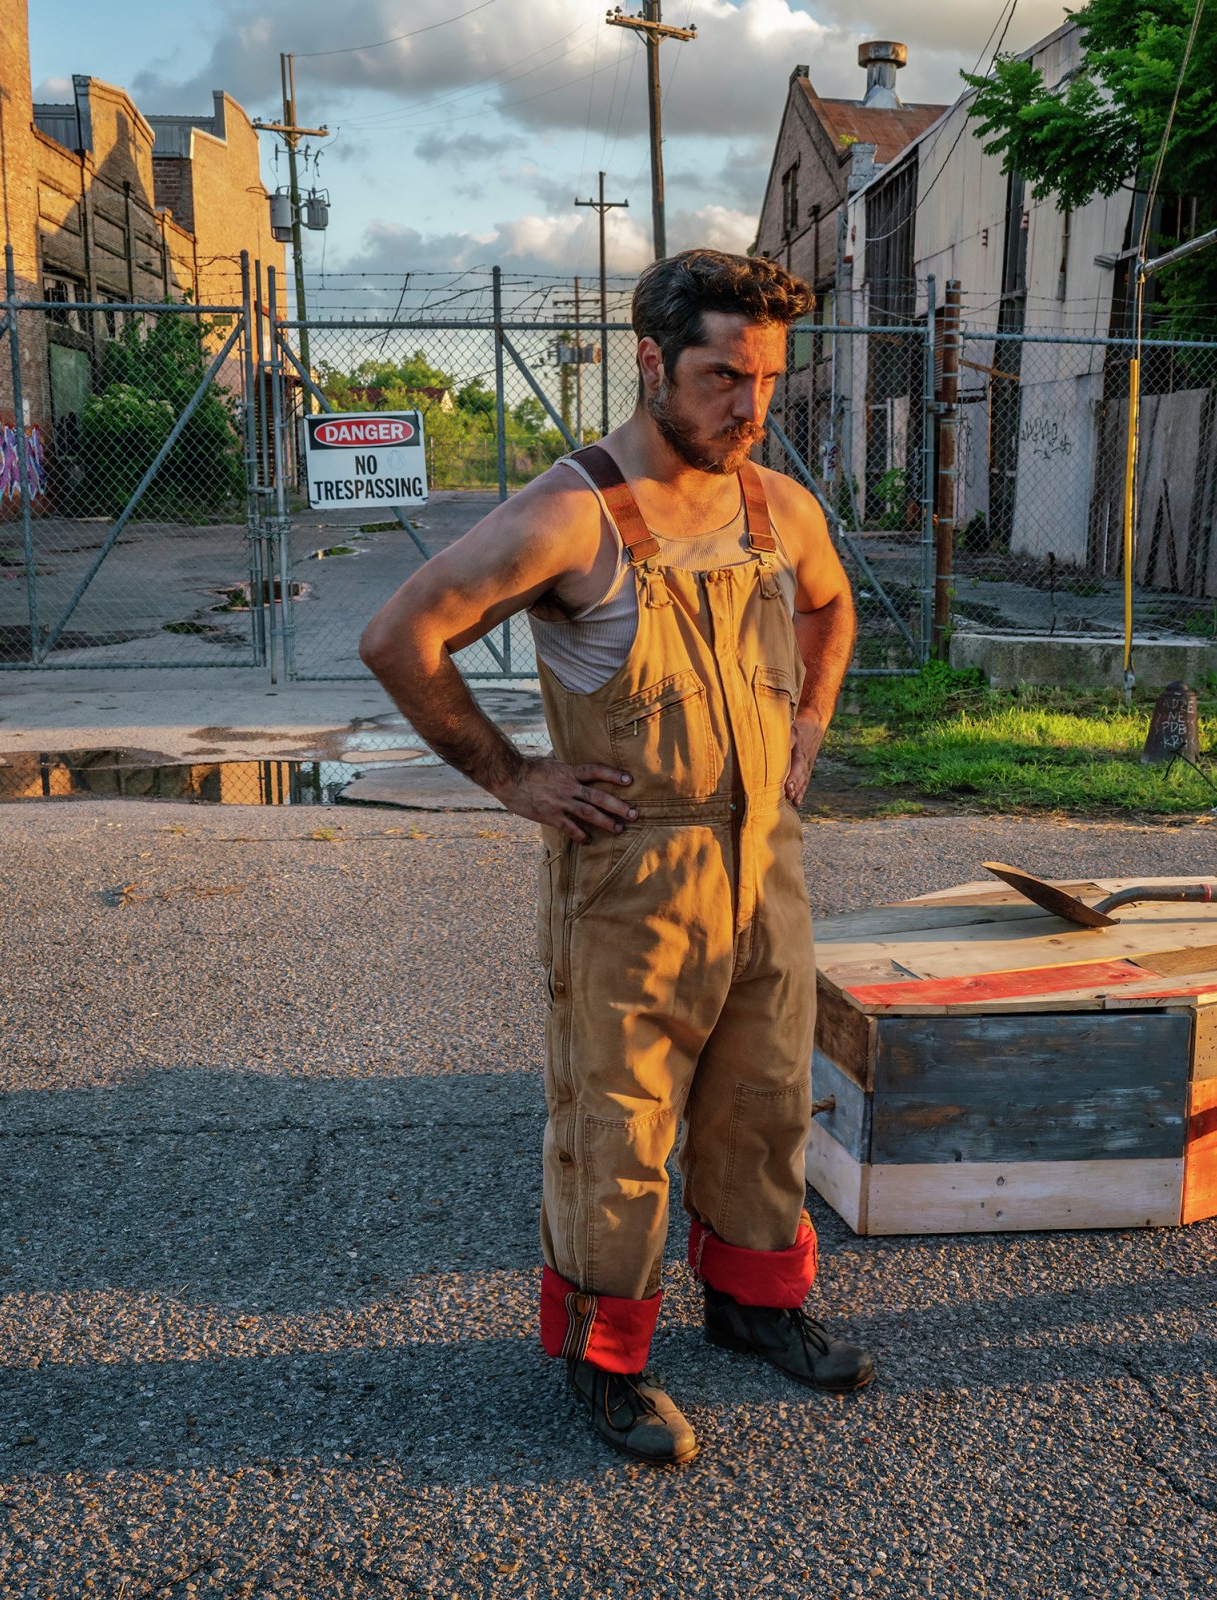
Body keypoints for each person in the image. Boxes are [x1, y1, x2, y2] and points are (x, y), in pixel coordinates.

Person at [360, 249, 873, 1464]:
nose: (748, 409)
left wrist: (808, 726)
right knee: (619, 1127)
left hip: (766, 865)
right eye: (720, 379)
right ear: (651, 363)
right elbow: (401, 634)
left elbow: (829, 605)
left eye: (767, 384)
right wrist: (514, 778)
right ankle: (607, 1364)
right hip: (633, 878)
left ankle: (753, 1306)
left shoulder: (773, 507)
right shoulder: (572, 514)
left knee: (765, 1106)